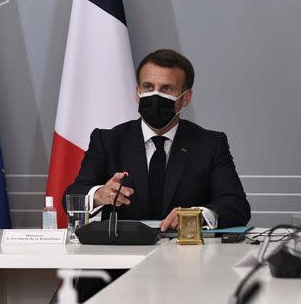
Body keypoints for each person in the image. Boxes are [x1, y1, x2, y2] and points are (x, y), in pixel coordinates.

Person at [63, 49, 250, 232]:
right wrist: (98, 194)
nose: (155, 96)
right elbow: (71, 196)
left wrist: (196, 215)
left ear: (186, 98)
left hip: (188, 257)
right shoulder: (108, 141)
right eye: (148, 87)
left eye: (167, 88)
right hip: (123, 255)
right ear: (137, 93)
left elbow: (237, 206)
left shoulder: (210, 144)